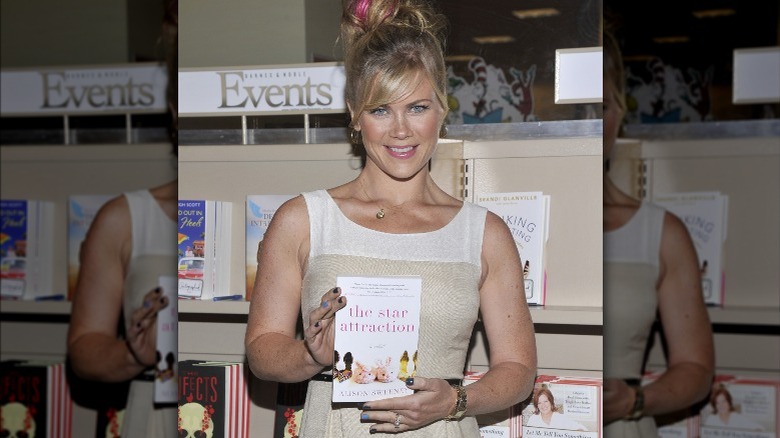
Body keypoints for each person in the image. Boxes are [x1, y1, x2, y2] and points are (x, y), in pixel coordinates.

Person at [244, 0, 537, 436]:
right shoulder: (304, 219)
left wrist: (455, 402)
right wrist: (311, 355)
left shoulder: (484, 233)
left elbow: (519, 369)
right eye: (380, 109)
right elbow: (262, 352)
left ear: (442, 110)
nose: (401, 129)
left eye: (417, 107)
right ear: (354, 115)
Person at [66, 1, 179, 437]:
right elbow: (84, 349)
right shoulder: (125, 217)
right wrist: (135, 353)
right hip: (154, 417)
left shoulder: (275, 213)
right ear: (171, 110)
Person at [602, 28, 715, 437]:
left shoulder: (660, 232)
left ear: (619, 113)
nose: (593, 124)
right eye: (579, 110)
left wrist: (635, 401)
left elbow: (696, 369)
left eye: (602, 107)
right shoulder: (511, 225)